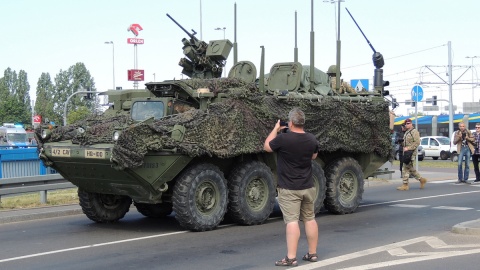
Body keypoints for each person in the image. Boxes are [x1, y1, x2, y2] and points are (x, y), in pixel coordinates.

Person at [263, 108, 319, 267]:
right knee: (310, 218)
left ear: (291, 122)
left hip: (289, 188)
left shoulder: (283, 139)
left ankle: (291, 257)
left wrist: (276, 128)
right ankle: (312, 253)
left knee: (292, 221)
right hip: (308, 186)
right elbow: (313, 156)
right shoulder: (311, 139)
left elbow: (267, 146)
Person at [397, 118, 427, 191]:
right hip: (406, 152)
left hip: (411, 152)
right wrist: (400, 142)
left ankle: (405, 184)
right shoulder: (407, 132)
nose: (407, 125)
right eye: (406, 124)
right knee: (409, 168)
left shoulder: (414, 132)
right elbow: (405, 143)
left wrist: (409, 148)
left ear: (411, 124)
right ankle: (421, 179)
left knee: (405, 167)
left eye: (408, 123)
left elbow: (417, 142)